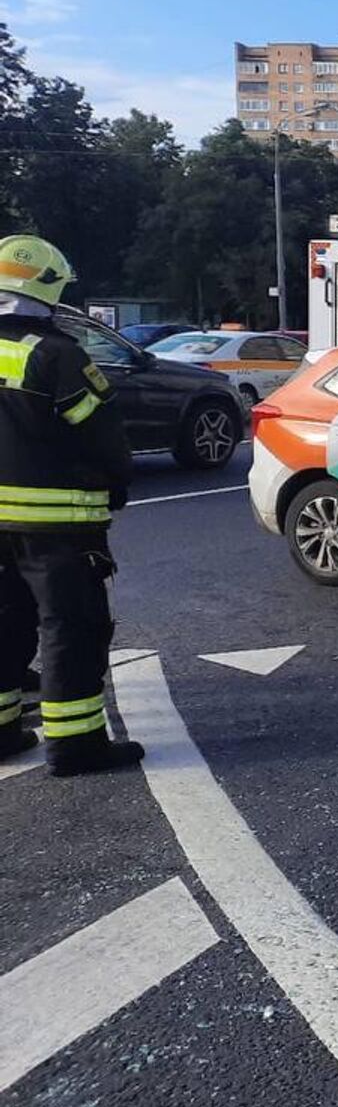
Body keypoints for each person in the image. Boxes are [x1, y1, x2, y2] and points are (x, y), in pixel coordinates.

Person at [0, 235, 142, 775]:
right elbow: (102, 436)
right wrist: (116, 482)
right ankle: (76, 743)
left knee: (3, 621)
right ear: (48, 289)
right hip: (54, 525)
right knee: (70, 626)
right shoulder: (54, 355)